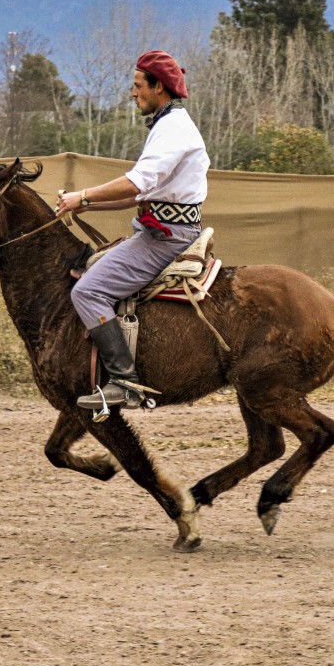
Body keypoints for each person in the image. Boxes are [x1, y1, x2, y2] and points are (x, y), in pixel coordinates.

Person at [54, 50, 210, 419]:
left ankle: (124, 381)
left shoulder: (173, 129)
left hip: (167, 238)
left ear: (159, 87)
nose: (132, 93)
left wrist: (82, 196)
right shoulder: (168, 124)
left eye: (138, 85)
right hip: (163, 228)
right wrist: (85, 205)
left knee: (88, 290)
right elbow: (139, 195)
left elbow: (136, 182)